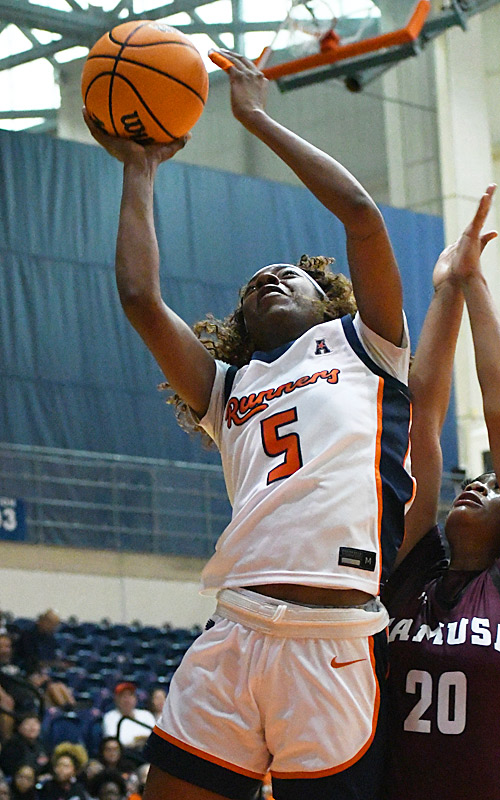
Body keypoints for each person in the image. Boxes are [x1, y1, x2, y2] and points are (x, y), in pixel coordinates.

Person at [84, 48, 413, 800]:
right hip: (235, 628)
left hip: (332, 638)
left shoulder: (371, 345)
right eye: (252, 286)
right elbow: (139, 296)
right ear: (237, 324)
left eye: (288, 273)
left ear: (327, 298)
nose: (268, 276)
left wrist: (257, 117)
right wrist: (141, 168)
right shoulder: (228, 385)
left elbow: (360, 214)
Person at [383, 185, 500, 799]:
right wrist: (446, 290)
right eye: (473, 479)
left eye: (493, 484)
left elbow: (499, 404)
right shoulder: (413, 570)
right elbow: (421, 417)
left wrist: (477, 283)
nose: (476, 484)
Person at [101, 685, 154, 752]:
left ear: (135, 699)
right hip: (125, 754)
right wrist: (135, 741)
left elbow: (155, 737)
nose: (127, 700)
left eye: (130, 695)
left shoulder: (146, 714)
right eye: (123, 696)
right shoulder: (110, 717)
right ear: (116, 699)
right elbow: (113, 742)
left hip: (147, 752)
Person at [0, 713, 49, 777]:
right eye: (28, 723)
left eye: (35, 723)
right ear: (19, 727)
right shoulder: (12, 745)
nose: (32, 727)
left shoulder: (42, 744)